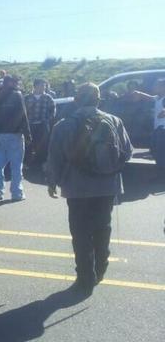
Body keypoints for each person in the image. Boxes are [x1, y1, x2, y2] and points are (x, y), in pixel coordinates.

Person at [46, 83, 132, 296]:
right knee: (103, 226)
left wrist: (52, 182)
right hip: (107, 185)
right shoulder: (114, 121)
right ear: (98, 100)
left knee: (80, 231)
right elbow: (127, 152)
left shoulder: (64, 125)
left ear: (76, 100)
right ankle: (101, 268)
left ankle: (85, 276)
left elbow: (55, 158)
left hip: (77, 186)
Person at [0, 75, 31, 201]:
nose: (18, 84)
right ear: (11, 83)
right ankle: (16, 193)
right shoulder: (17, 95)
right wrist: (28, 134)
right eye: (16, 82)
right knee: (16, 165)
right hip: (14, 134)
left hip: (0, 134)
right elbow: (23, 115)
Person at [130, 78, 165, 176]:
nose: (154, 87)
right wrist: (140, 94)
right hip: (158, 129)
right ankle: (160, 170)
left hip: (163, 130)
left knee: (161, 152)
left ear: (163, 87)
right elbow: (150, 98)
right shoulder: (158, 97)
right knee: (156, 150)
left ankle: (162, 173)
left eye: (157, 85)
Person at [24, 79, 56, 169]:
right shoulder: (27, 97)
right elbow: (23, 112)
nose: (44, 88)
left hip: (43, 125)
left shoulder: (48, 97)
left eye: (44, 86)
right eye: (42, 85)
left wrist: (47, 119)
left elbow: (53, 110)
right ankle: (27, 163)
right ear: (35, 86)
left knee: (43, 145)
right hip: (30, 125)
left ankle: (41, 163)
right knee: (28, 144)